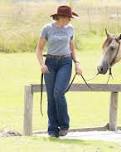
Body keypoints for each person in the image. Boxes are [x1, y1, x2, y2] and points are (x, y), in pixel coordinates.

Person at [36, 5, 82, 137]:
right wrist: (41, 64)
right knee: (51, 97)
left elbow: (72, 48)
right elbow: (39, 49)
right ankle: (52, 129)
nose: (70, 20)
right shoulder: (47, 29)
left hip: (65, 62)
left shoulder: (70, 29)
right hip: (50, 63)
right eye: (69, 18)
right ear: (61, 17)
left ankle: (64, 124)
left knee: (58, 92)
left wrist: (77, 63)